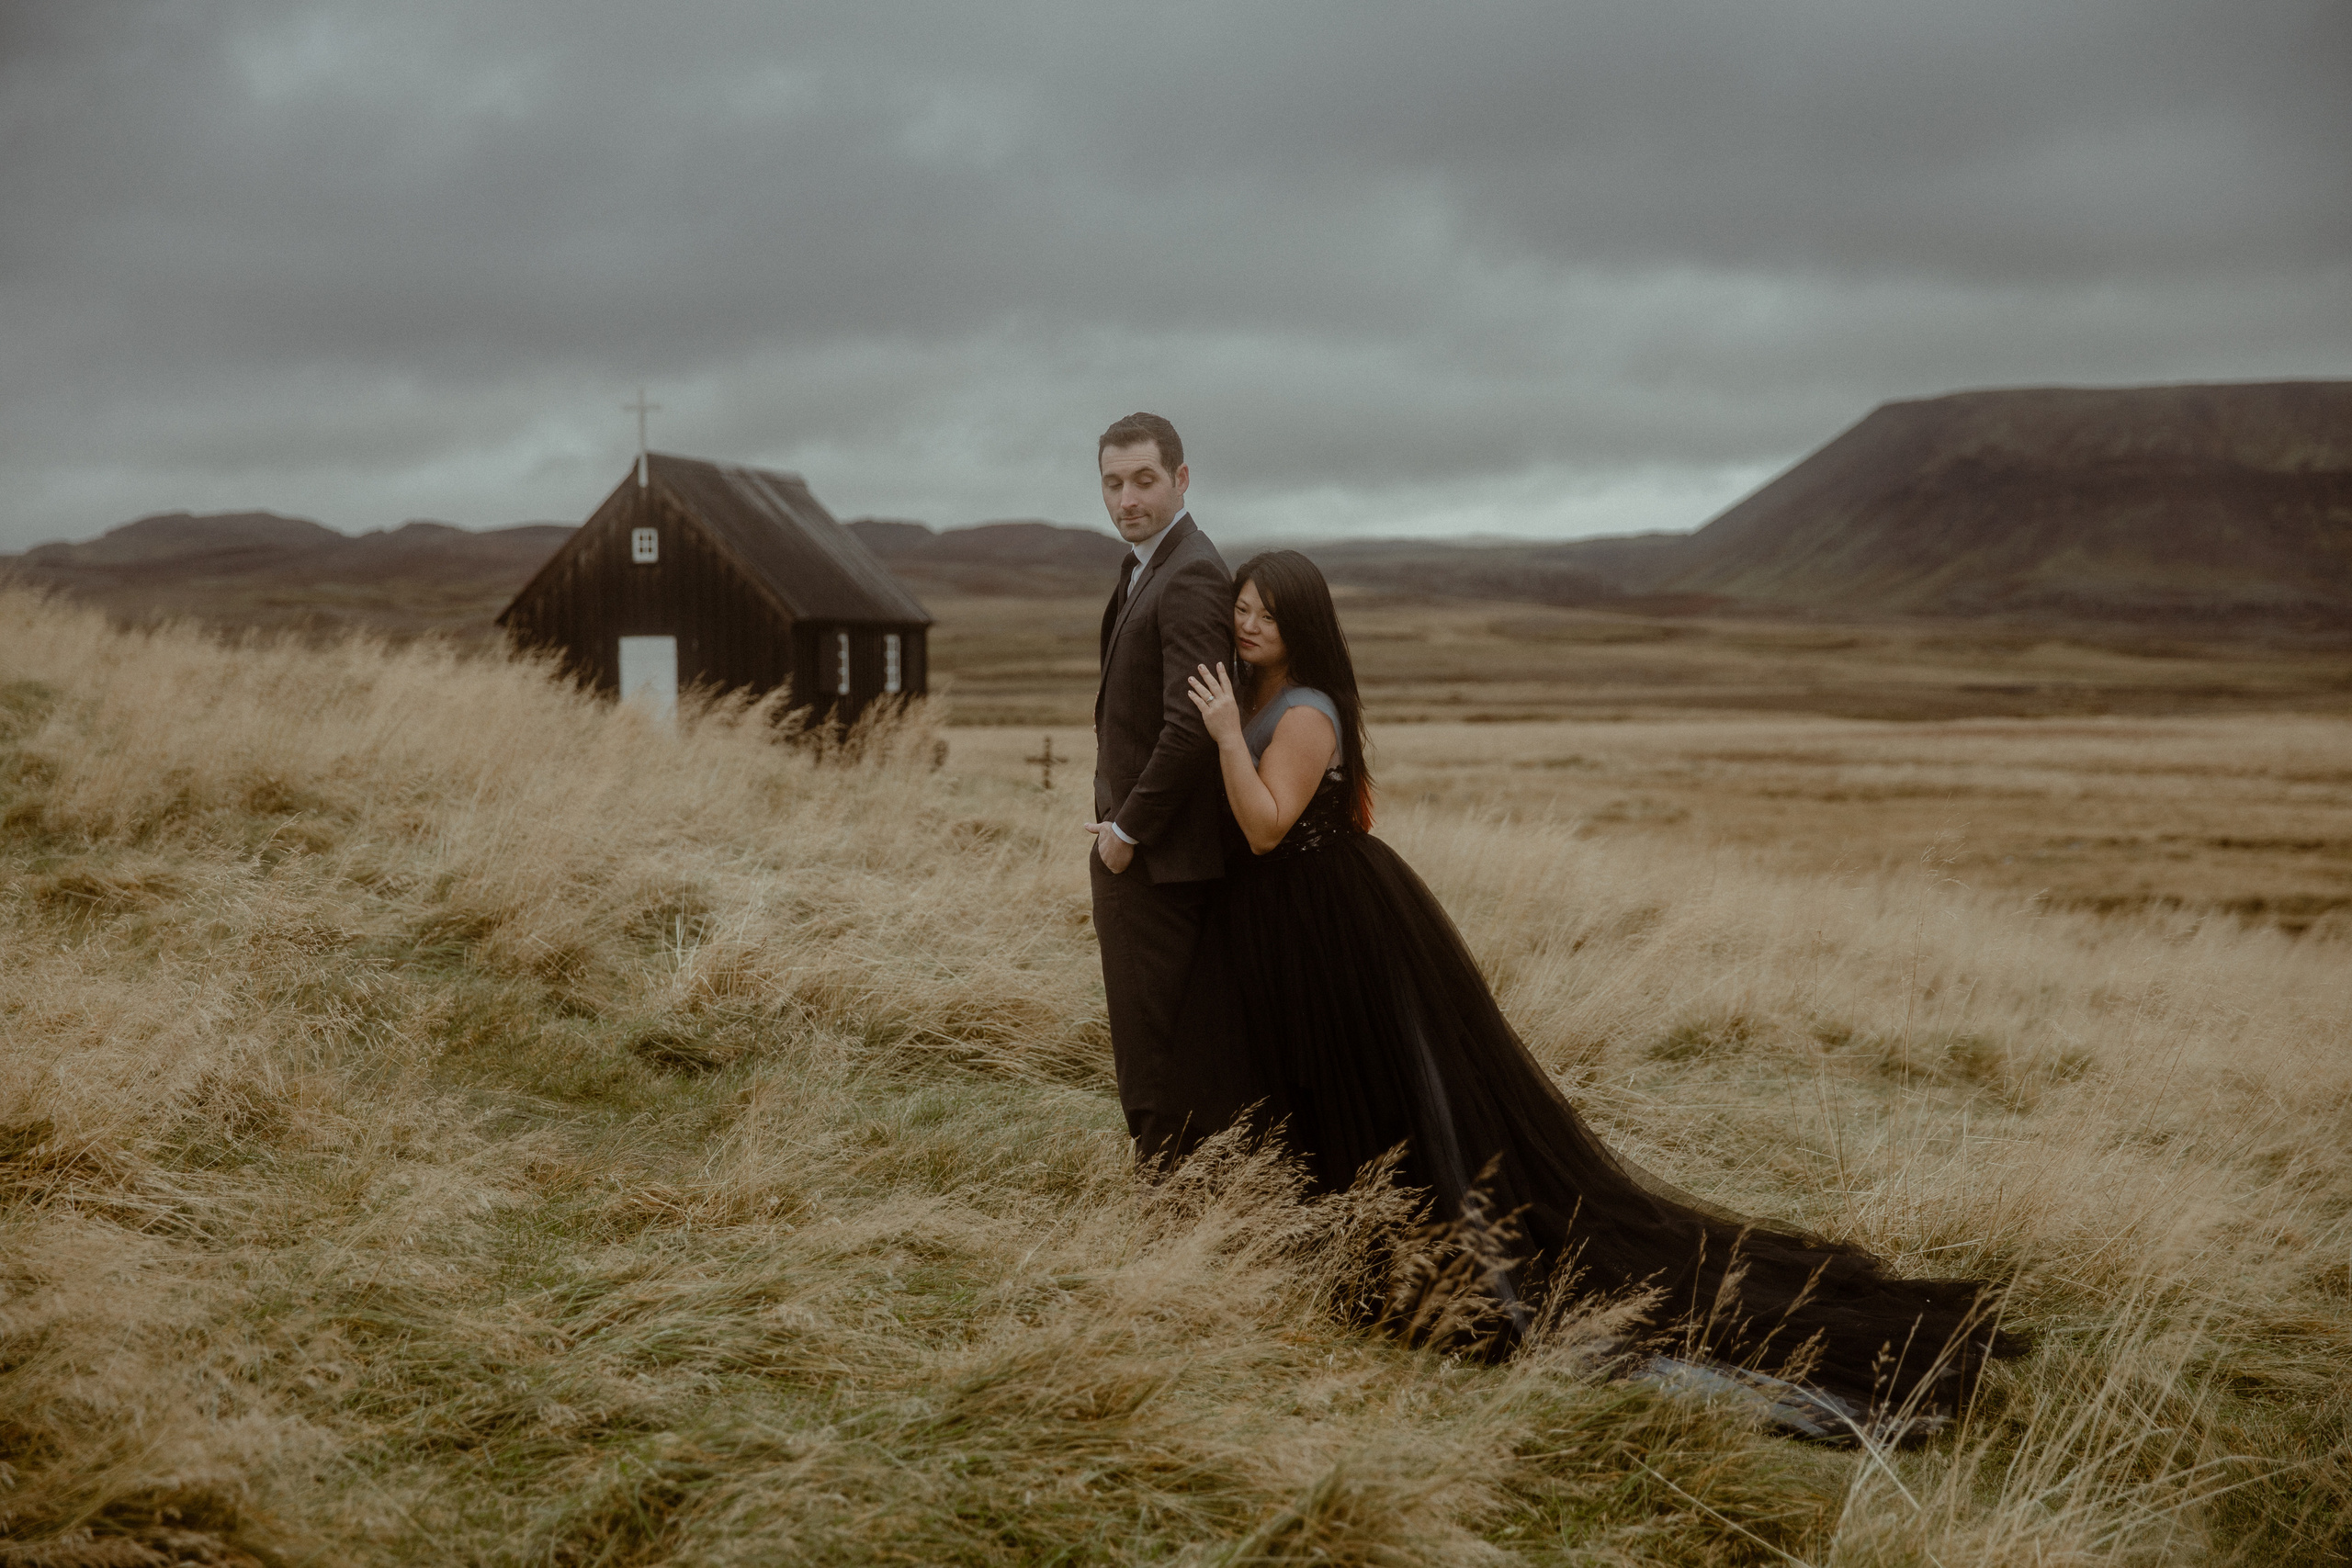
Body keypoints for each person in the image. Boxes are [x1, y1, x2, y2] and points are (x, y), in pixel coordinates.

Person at [1185, 549, 2020, 1434]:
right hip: (1297, 925)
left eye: (1269, 615)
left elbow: (1268, 827)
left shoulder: (1305, 710)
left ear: (1302, 625)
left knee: (1376, 1094)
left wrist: (1228, 738)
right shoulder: (1254, 691)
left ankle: (1393, 1248)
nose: (1249, 625)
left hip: (1330, 922)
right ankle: (1335, 1235)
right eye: (1242, 607)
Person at [1084, 412, 1268, 1171]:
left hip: (1160, 863)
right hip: (1150, 856)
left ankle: (1167, 1209)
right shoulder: (1145, 565)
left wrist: (1126, 833)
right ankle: (1179, 1196)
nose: (1127, 498)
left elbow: (1189, 729)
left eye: (1144, 480)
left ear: (1182, 479)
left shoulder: (1188, 573)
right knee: (1156, 1041)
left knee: (1152, 1047)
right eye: (1113, 483)